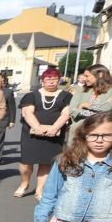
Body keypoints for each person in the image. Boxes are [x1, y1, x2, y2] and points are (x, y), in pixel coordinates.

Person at [17, 68, 72, 199]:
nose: (52, 82)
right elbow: (27, 113)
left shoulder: (66, 96)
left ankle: (40, 189)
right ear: (42, 81)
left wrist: (55, 128)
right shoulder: (31, 95)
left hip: (54, 135)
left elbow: (66, 113)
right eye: (48, 79)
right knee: (26, 163)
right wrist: (37, 127)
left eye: (55, 79)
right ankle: (24, 183)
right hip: (31, 134)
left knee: (46, 162)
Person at [0, 73, 15, 163]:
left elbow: (12, 107)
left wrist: (12, 120)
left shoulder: (8, 92)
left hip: (2, 120)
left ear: (2, 82)